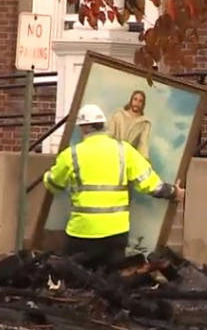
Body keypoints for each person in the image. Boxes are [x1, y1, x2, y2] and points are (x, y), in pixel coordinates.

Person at [43, 103, 184, 270]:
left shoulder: (71, 154)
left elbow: (53, 184)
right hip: (115, 234)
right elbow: (151, 185)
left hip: (81, 233)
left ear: (83, 128)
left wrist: (48, 175)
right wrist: (174, 192)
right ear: (102, 126)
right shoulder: (124, 150)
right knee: (111, 282)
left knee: (76, 282)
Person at [107, 90, 152, 159]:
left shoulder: (145, 124)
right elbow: (109, 134)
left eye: (140, 101)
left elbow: (143, 145)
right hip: (113, 154)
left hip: (128, 158)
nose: (137, 103)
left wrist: (145, 160)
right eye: (135, 99)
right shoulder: (118, 115)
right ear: (131, 100)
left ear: (143, 104)